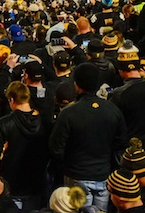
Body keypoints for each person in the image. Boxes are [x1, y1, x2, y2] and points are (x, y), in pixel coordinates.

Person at [49, 62, 128, 212]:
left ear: (77, 85)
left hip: (76, 176)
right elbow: (121, 142)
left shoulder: (68, 113)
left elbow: (56, 148)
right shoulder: (112, 110)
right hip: (103, 176)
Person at [0, 81, 48, 212]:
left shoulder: (3, 124)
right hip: (37, 182)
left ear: (11, 100)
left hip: (11, 183)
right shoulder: (44, 121)